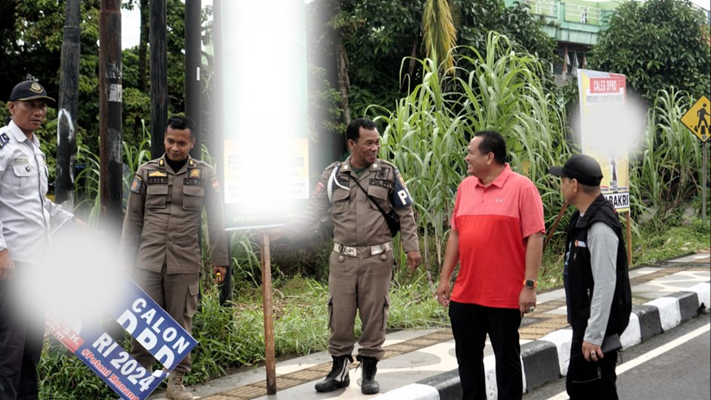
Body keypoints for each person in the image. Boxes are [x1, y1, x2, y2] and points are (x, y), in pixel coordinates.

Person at [273, 118, 421, 395]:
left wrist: (412, 247)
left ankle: (368, 372)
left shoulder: (388, 173)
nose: (375, 147)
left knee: (374, 316)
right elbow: (313, 211)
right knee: (339, 317)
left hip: (378, 259)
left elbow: (405, 212)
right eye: (368, 142)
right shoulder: (333, 175)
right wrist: (286, 231)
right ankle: (339, 371)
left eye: (377, 142)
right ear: (352, 144)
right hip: (342, 260)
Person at [120, 115, 228, 400]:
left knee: (179, 323)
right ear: (164, 140)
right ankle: (138, 380)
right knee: (143, 321)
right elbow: (132, 219)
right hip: (147, 260)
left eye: (182, 142)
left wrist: (220, 259)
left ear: (192, 142)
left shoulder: (205, 174)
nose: (175, 148)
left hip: (184, 260)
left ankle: (175, 383)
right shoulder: (146, 172)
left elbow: (216, 220)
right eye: (170, 141)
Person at [435, 131, 545, 400]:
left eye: (471, 152)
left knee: (506, 363)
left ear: (489, 157)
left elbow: (535, 236)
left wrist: (529, 286)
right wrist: (445, 277)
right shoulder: (465, 188)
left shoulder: (522, 187)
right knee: (468, 363)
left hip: (504, 297)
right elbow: (456, 234)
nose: (466, 157)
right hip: (466, 294)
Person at [0, 80, 76, 399]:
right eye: (30, 104)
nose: (39, 111)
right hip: (14, 264)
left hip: (37, 263)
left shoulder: (34, 148)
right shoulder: (3, 146)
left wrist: (72, 222)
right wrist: (1, 251)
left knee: (31, 347)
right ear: (11, 107)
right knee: (10, 350)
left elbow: (38, 202)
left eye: (42, 105)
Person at [549, 154, 631, 400]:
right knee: (586, 388)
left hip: (596, 330)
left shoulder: (600, 226)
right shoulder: (581, 216)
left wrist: (594, 336)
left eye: (562, 180)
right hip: (585, 324)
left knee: (589, 388)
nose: (561, 186)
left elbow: (605, 285)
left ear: (574, 184)